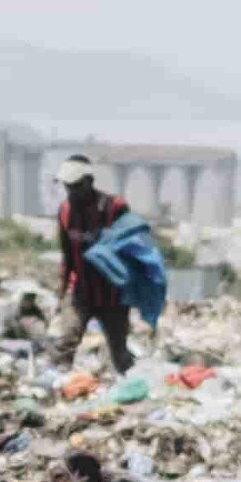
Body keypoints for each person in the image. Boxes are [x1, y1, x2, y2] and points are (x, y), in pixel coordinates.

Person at [52, 154, 146, 375]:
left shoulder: (115, 208)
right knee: (66, 341)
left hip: (112, 294)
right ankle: (58, 385)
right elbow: (66, 253)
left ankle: (126, 386)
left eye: (75, 186)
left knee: (118, 351)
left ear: (89, 182)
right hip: (81, 290)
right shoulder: (65, 211)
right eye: (67, 187)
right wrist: (62, 291)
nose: (71, 192)